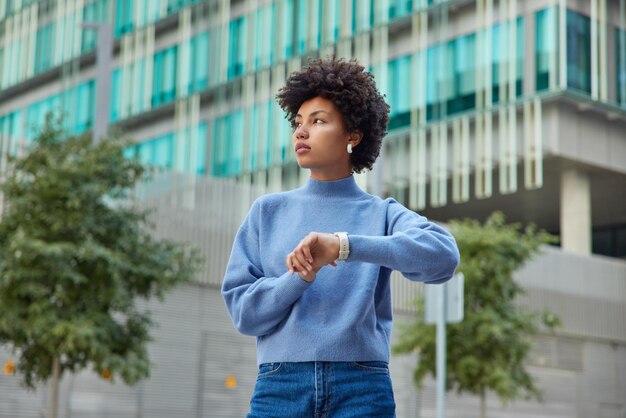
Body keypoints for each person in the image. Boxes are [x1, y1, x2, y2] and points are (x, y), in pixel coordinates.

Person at [221, 57, 460, 418]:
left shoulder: (381, 213)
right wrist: (298, 278)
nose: (301, 132)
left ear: (353, 135)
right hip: (280, 386)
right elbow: (245, 315)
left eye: (318, 121)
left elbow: (443, 257)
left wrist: (344, 245)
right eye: (298, 123)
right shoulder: (266, 212)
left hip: (362, 387)